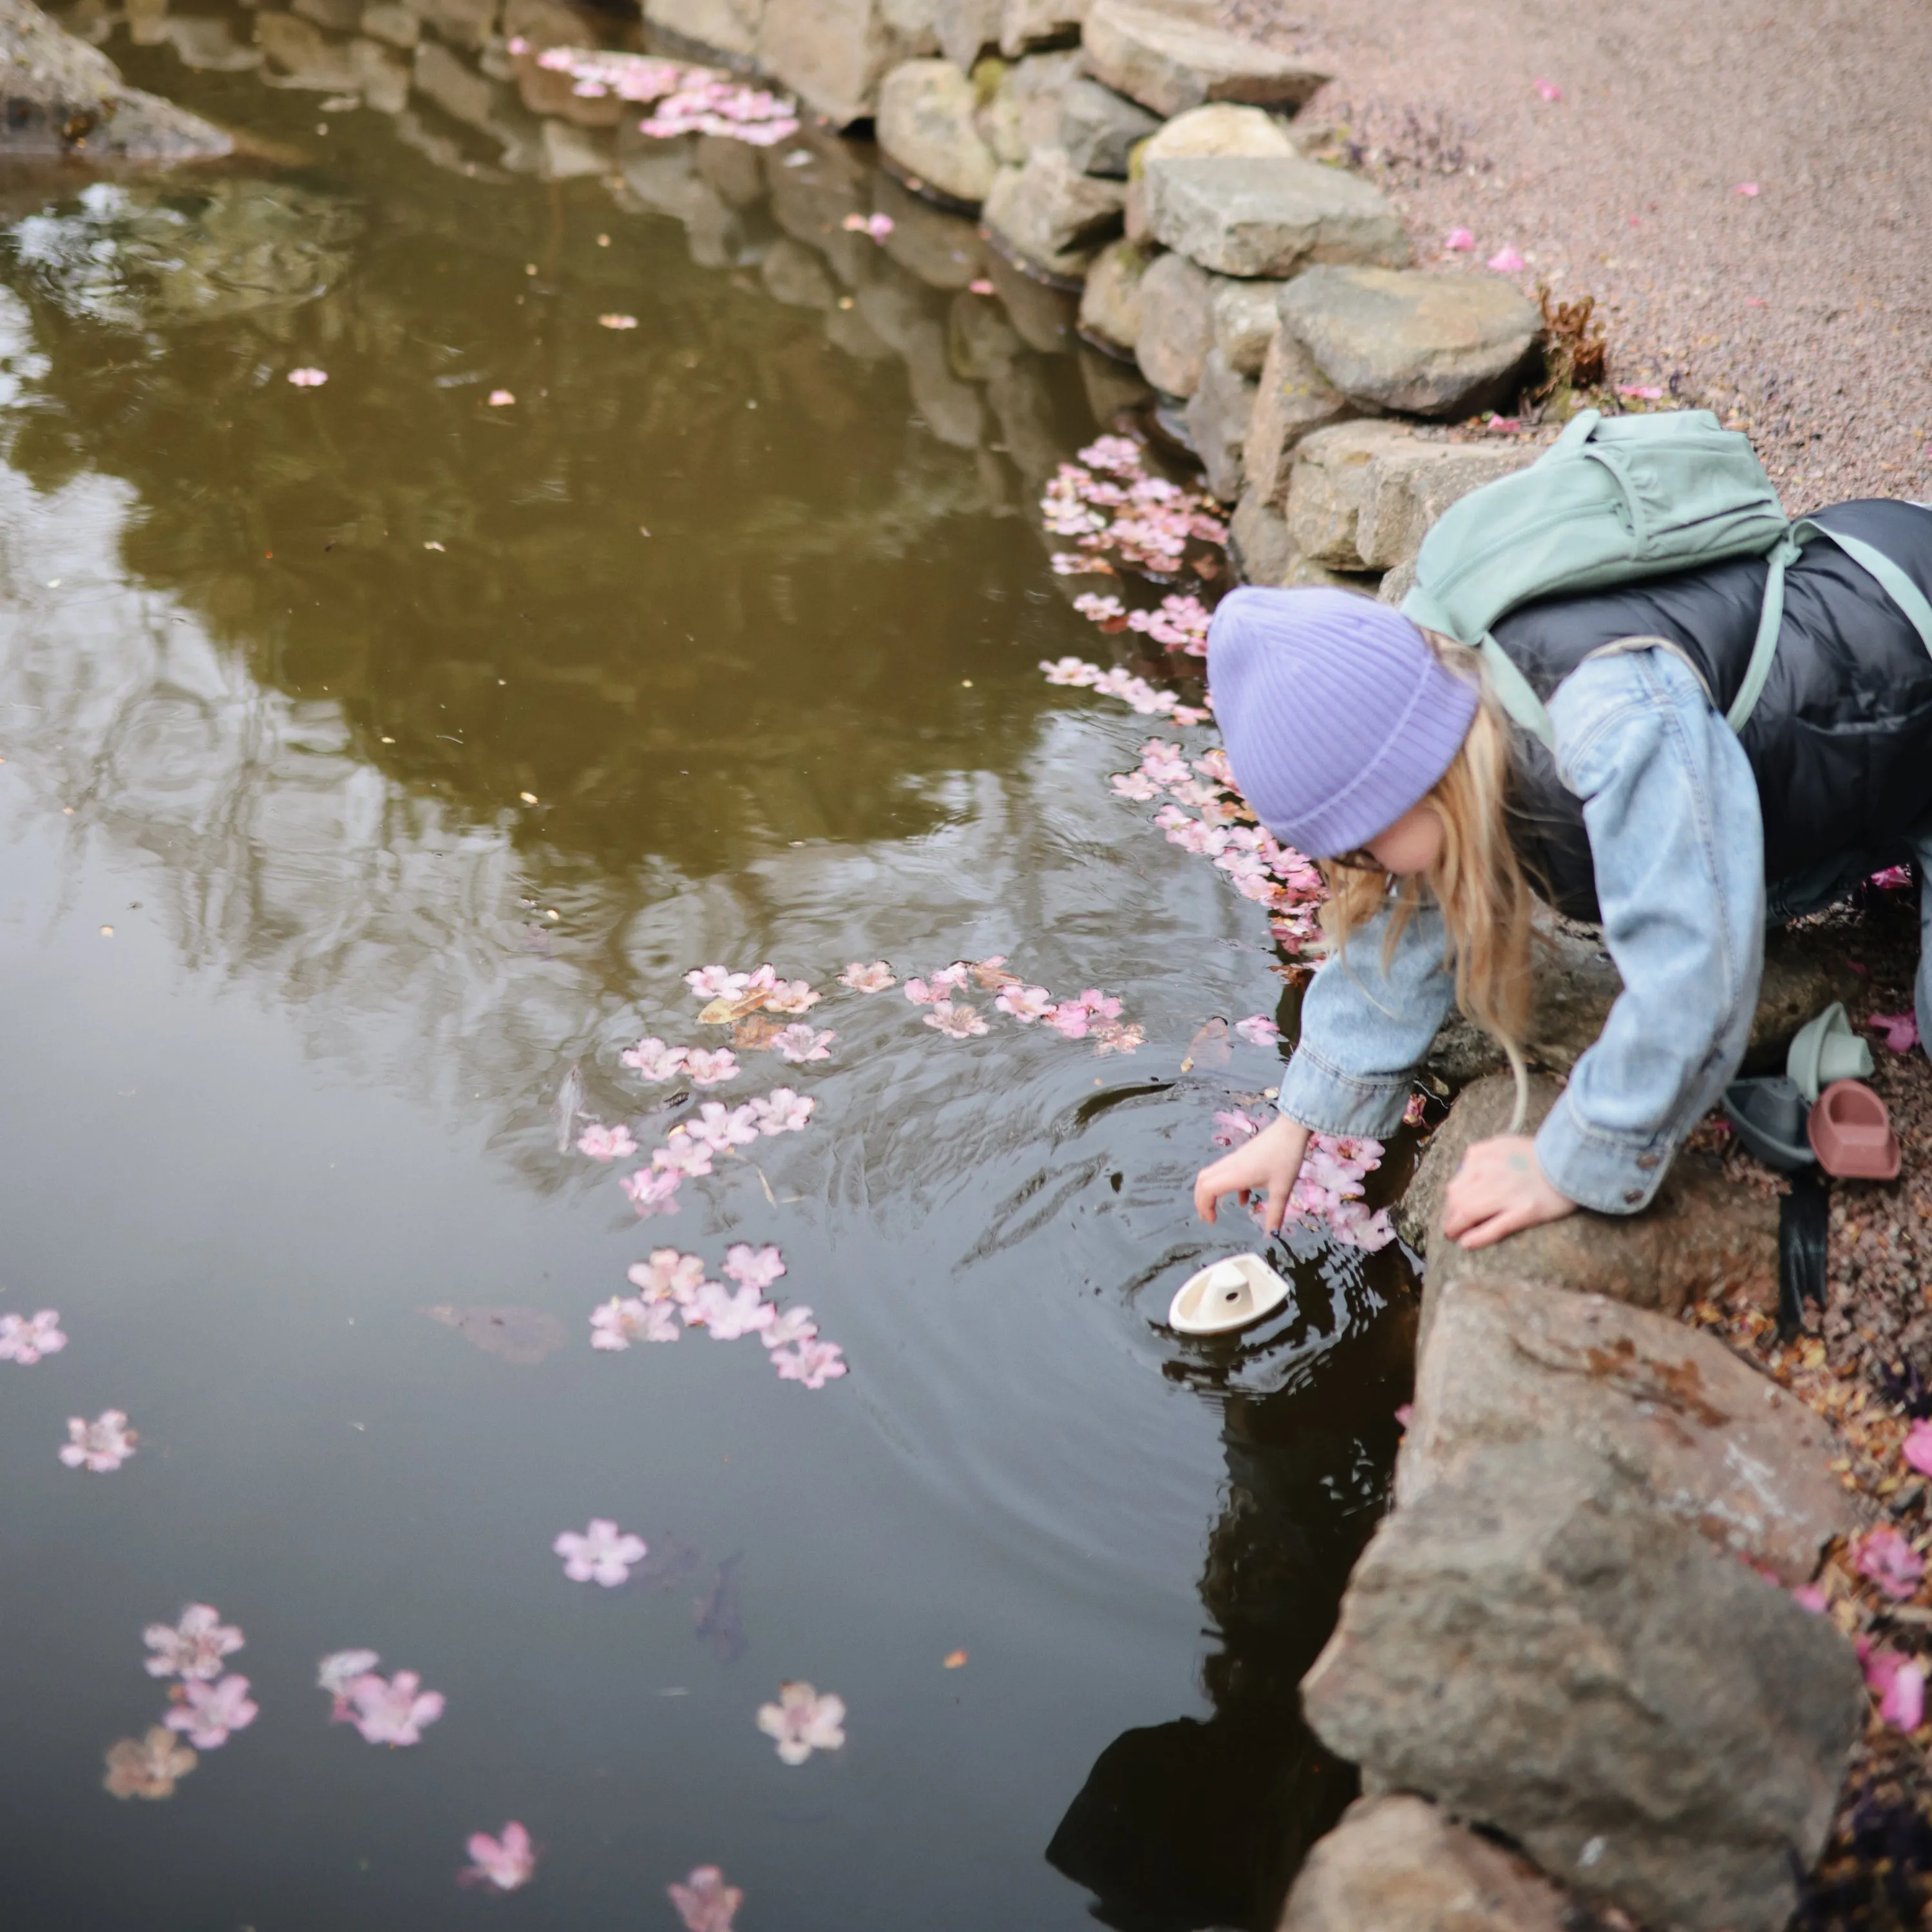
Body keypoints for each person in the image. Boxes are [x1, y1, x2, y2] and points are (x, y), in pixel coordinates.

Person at [1189, 496, 1932, 1249]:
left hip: (1908, 646)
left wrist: (1568, 1162)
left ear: (1406, 778)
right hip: (1848, 727)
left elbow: (1697, 972)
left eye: (1357, 848)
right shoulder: (1458, 722)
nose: (1361, 872)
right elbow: (1416, 910)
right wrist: (1301, 1120)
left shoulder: (1608, 728)